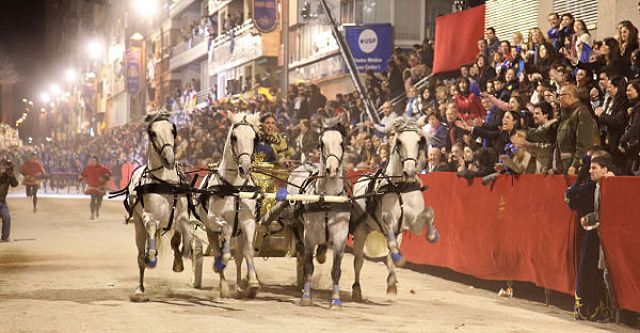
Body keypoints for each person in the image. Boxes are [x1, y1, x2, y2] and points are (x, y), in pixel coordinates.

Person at [79, 156, 111, 220]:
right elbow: (82, 174)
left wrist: (104, 178)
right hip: (92, 188)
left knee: (99, 202)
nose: (93, 162)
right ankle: (92, 214)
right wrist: (80, 178)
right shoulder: (88, 168)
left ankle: (97, 209)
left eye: (94, 161)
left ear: (97, 161)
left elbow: (108, 173)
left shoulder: (102, 168)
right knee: (92, 200)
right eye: (92, 161)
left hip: (100, 188)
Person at [0, 158, 18, 242]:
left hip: (2, 202)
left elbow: (15, 184)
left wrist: (11, 175)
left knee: (7, 219)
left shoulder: (8, 176)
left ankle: (5, 237)